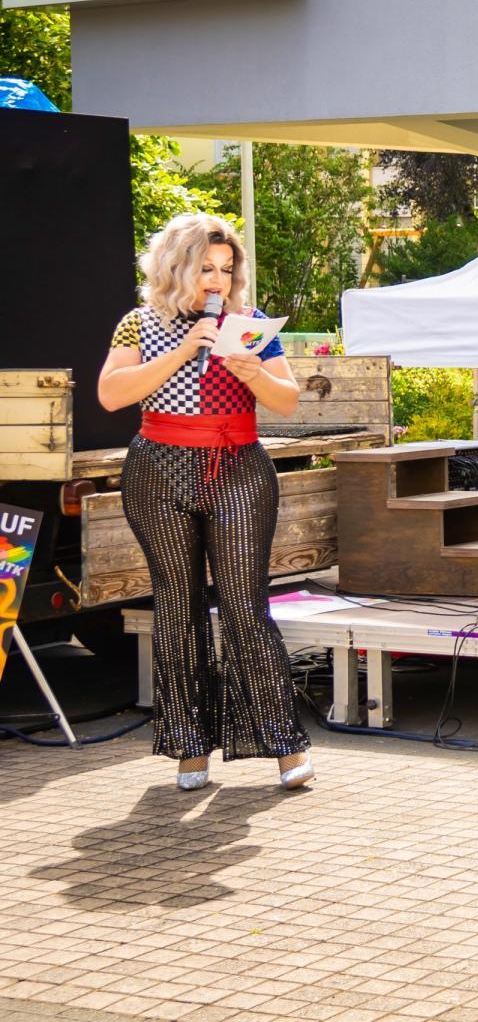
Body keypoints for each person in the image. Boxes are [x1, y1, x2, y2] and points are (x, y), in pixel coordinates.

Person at [96, 213, 311, 791]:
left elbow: (287, 401)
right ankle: (190, 747)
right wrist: (182, 350)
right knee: (177, 606)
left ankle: (284, 746)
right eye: (206, 268)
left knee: (245, 605)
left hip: (238, 466)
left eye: (226, 268)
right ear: (177, 267)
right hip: (158, 470)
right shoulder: (137, 324)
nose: (218, 279)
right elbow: (112, 393)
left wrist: (251, 373)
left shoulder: (253, 324)